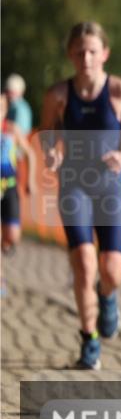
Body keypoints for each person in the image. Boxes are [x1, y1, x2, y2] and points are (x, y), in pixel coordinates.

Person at [40, 22, 121, 370]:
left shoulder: (120, 91)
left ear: (105, 54)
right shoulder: (59, 95)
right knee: (83, 263)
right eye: (79, 52)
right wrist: (51, 152)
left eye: (93, 51)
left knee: (111, 271)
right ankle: (89, 339)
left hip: (109, 187)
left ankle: (108, 296)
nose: (86, 58)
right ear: (70, 55)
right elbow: (47, 131)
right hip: (74, 186)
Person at [1, 92, 37, 296]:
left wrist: (30, 180)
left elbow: (30, 154)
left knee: (12, 236)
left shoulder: (12, 130)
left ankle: (6, 245)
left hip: (9, 187)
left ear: (6, 110)